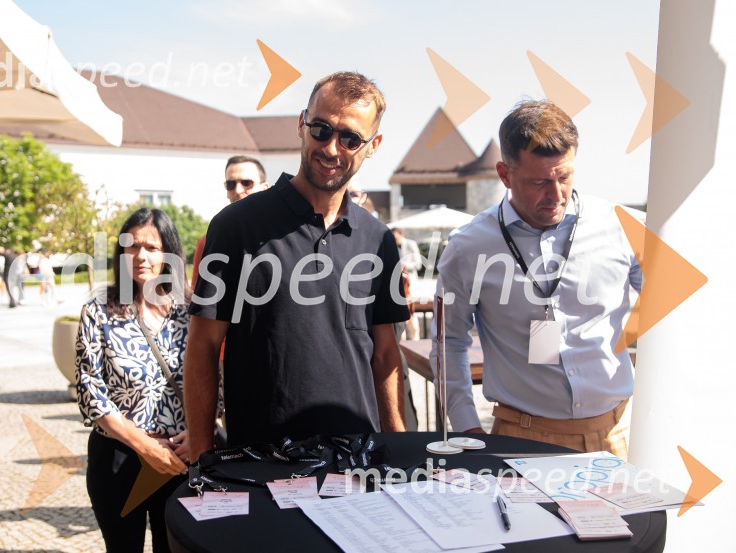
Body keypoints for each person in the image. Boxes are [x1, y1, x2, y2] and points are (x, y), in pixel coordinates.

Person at [184, 71, 410, 462]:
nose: (332, 148)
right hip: (260, 461)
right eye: (321, 129)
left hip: (358, 460)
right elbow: (203, 346)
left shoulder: (378, 239)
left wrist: (399, 447)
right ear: (301, 124)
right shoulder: (236, 227)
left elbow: (386, 354)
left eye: (350, 138)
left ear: (373, 145)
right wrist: (203, 459)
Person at [434, 100, 641, 457]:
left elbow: (673, 314)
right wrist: (467, 428)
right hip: (520, 441)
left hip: (618, 436)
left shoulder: (623, 227)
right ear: (504, 174)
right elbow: (448, 342)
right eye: (540, 182)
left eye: (565, 177)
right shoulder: (468, 247)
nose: (557, 195)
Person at [75, 208, 189, 553]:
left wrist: (199, 431)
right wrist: (145, 446)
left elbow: (214, 379)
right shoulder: (99, 309)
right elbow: (89, 390)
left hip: (179, 456)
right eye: (132, 246)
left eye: (152, 247)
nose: (141, 256)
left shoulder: (191, 309)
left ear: (169, 253)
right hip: (119, 457)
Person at [190, 155, 269, 289]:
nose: (238, 190)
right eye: (231, 184)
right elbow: (198, 297)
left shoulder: (285, 236)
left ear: (265, 188)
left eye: (246, 183)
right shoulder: (207, 241)